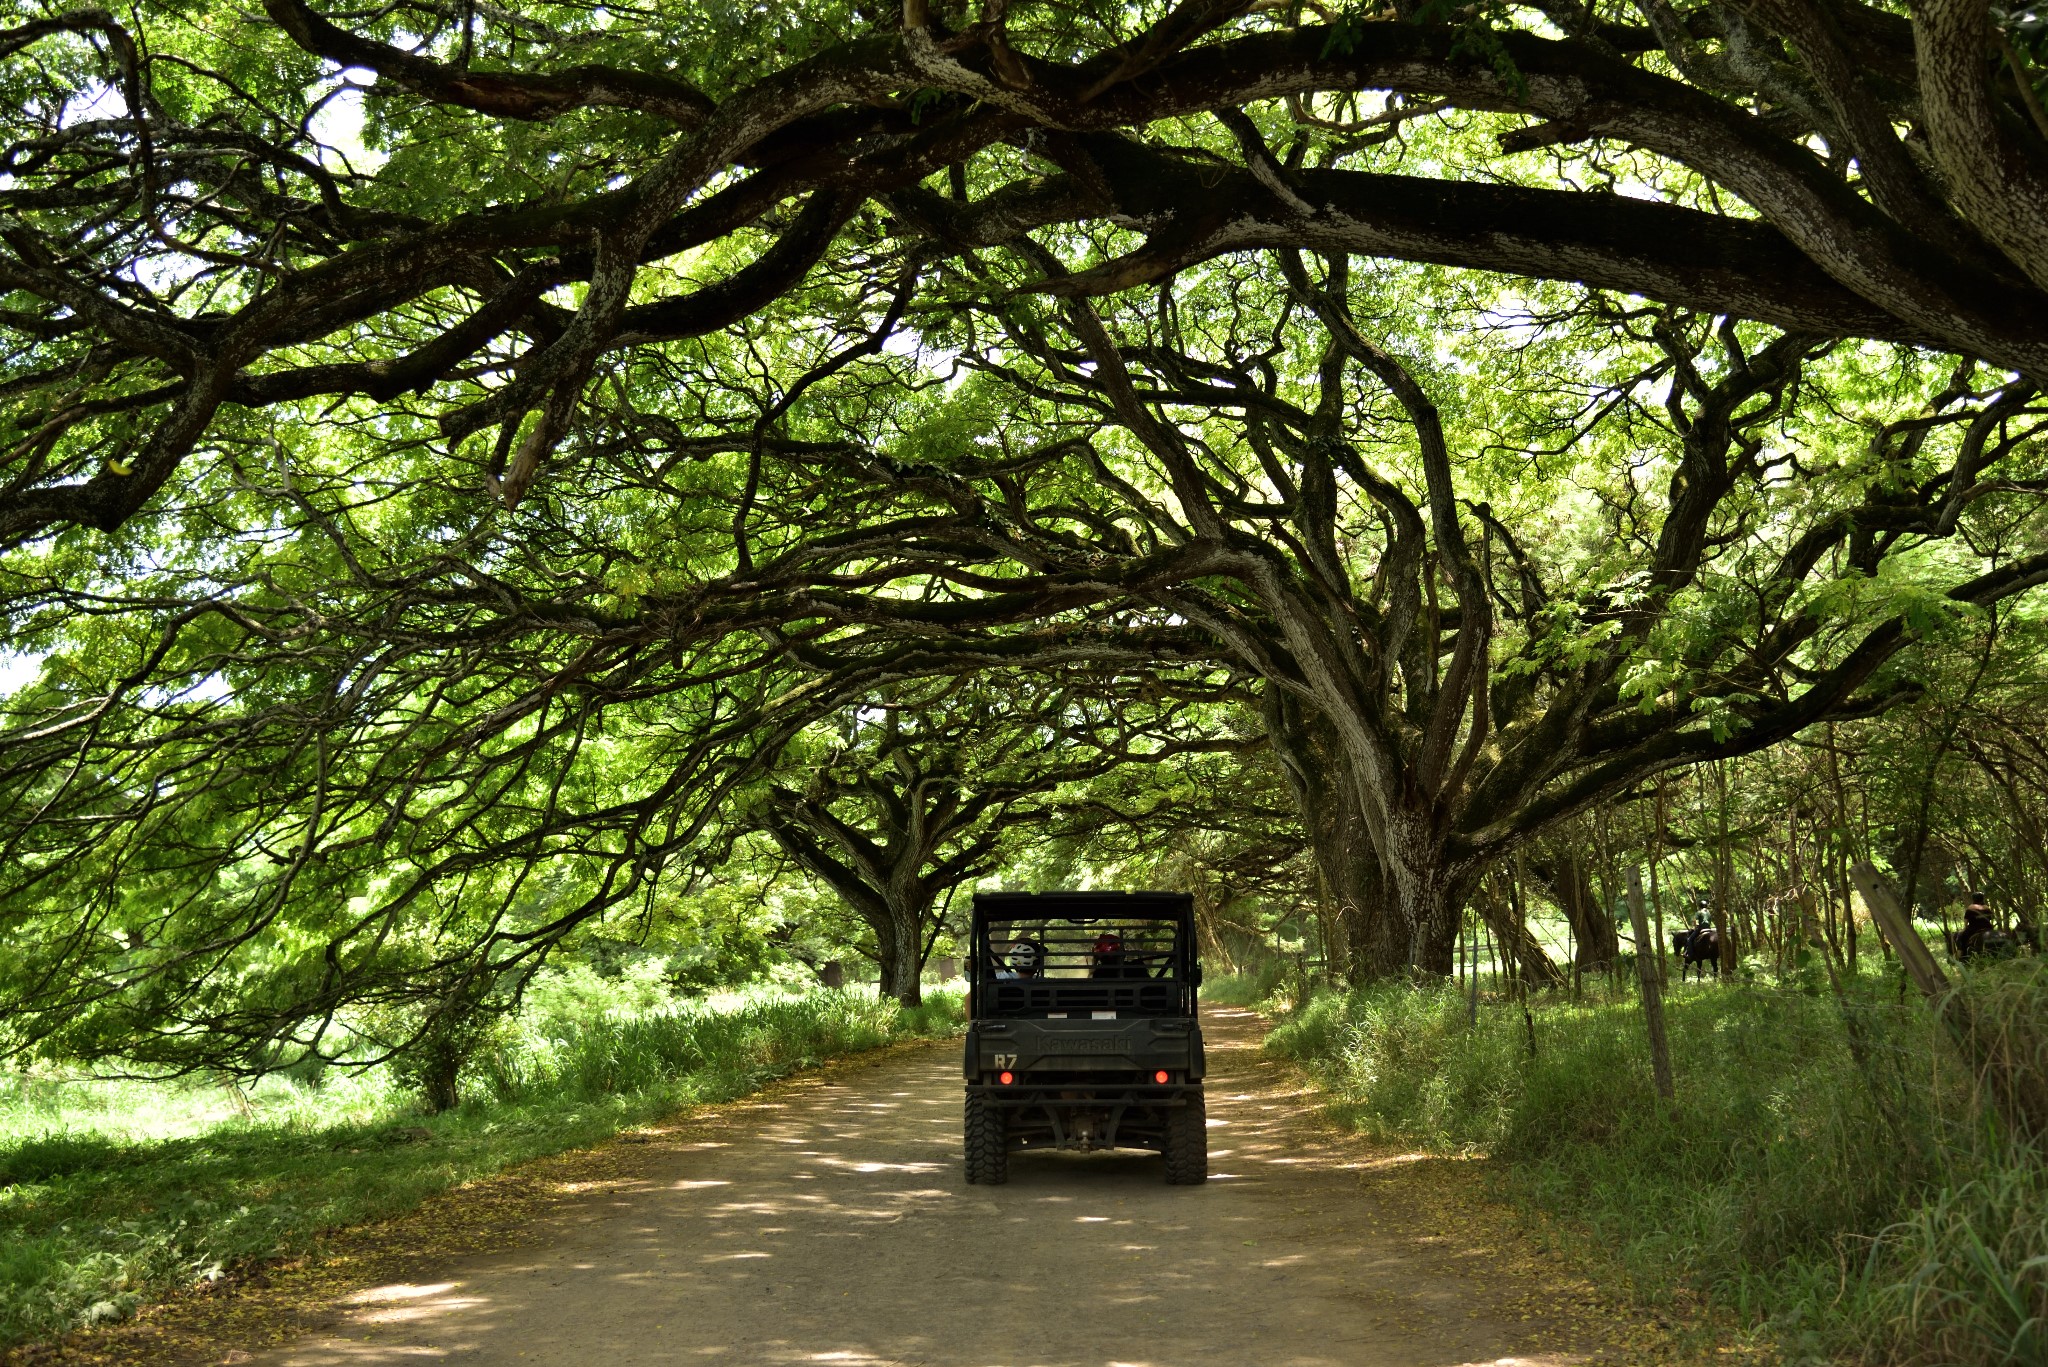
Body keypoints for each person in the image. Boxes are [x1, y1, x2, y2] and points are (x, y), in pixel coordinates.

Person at [1958, 893, 1996, 960]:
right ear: (1982, 898)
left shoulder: (1970, 907)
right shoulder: (1987, 907)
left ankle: (1961, 956)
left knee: (1961, 937)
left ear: (1973, 899)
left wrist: (1964, 928)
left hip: (1974, 928)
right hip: (1988, 928)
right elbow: (1990, 918)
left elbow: (1966, 920)